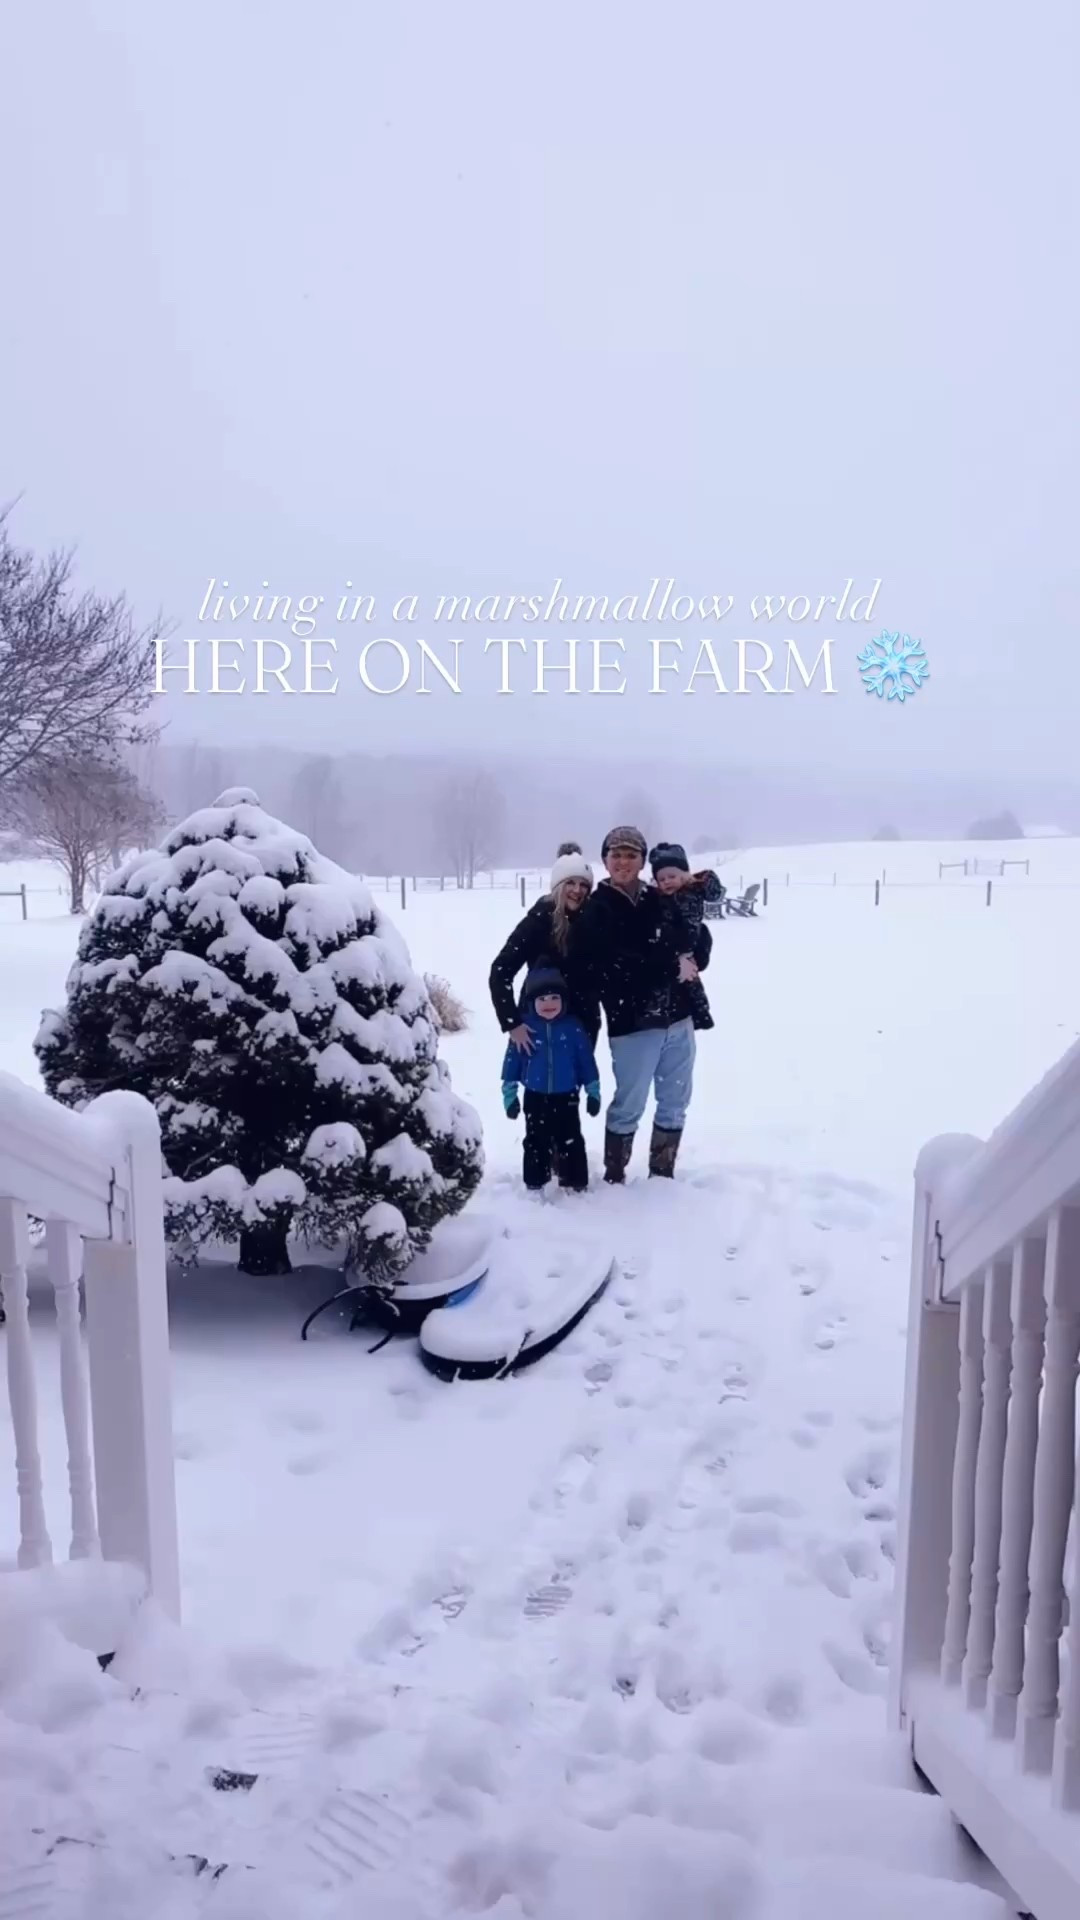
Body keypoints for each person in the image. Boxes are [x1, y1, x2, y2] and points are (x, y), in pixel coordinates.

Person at [570, 824, 711, 1183]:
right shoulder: (596, 909)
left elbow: (693, 938)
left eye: (631, 855)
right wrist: (668, 963)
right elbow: (611, 965)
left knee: (675, 1099)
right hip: (632, 1023)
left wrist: (696, 956)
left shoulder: (659, 898)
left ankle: (662, 1175)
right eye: (616, 854)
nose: (623, 861)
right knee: (629, 1105)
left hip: (678, 1017)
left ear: (642, 861)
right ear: (604, 860)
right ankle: (615, 1177)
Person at [501, 963, 601, 1193]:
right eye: (542, 999)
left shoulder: (573, 1028)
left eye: (554, 997)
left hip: (567, 1095)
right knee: (536, 1141)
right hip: (535, 1097)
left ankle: (575, 1182)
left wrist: (593, 1091)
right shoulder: (524, 1029)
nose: (549, 1004)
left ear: (564, 1000)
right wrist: (509, 1096)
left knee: (571, 1139)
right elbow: (512, 1064)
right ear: (531, 1001)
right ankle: (535, 1183)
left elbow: (586, 1062)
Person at [488, 842, 599, 1051]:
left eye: (584, 884)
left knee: (573, 1083)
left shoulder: (595, 918)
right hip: (539, 1026)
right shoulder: (539, 920)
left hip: (582, 1026)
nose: (577, 890)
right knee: (539, 1083)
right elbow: (500, 971)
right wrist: (512, 1023)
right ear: (558, 885)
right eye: (570, 883)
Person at [648, 842, 723, 1031]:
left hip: (687, 945)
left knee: (691, 981)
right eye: (662, 879)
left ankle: (700, 1013)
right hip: (674, 952)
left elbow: (713, 893)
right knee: (675, 985)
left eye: (672, 876)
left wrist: (707, 878)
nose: (667, 882)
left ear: (684, 875)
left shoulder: (691, 893)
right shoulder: (660, 899)